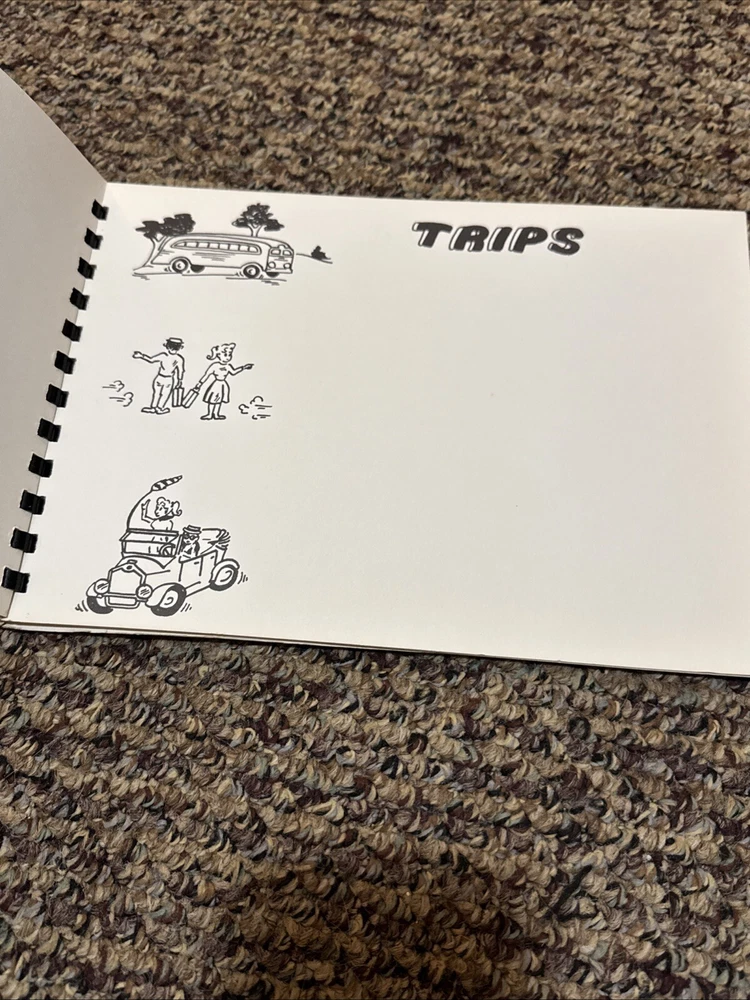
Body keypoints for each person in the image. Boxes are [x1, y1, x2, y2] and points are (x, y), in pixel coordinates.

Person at [191, 343, 253, 420]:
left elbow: (233, 372)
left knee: (219, 401)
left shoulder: (228, 366)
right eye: (225, 355)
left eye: (229, 355)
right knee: (212, 401)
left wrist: (243, 368)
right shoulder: (214, 365)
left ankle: (216, 414)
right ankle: (209, 414)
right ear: (219, 355)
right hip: (216, 385)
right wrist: (200, 383)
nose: (228, 357)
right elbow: (206, 375)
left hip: (223, 385)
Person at [133, 338, 185, 413]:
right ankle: (159, 408)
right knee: (164, 394)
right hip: (167, 379)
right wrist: (180, 380)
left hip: (161, 377)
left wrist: (141, 356)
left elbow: (151, 360)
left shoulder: (164, 356)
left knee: (158, 393)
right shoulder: (179, 359)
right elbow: (181, 370)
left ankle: (154, 407)